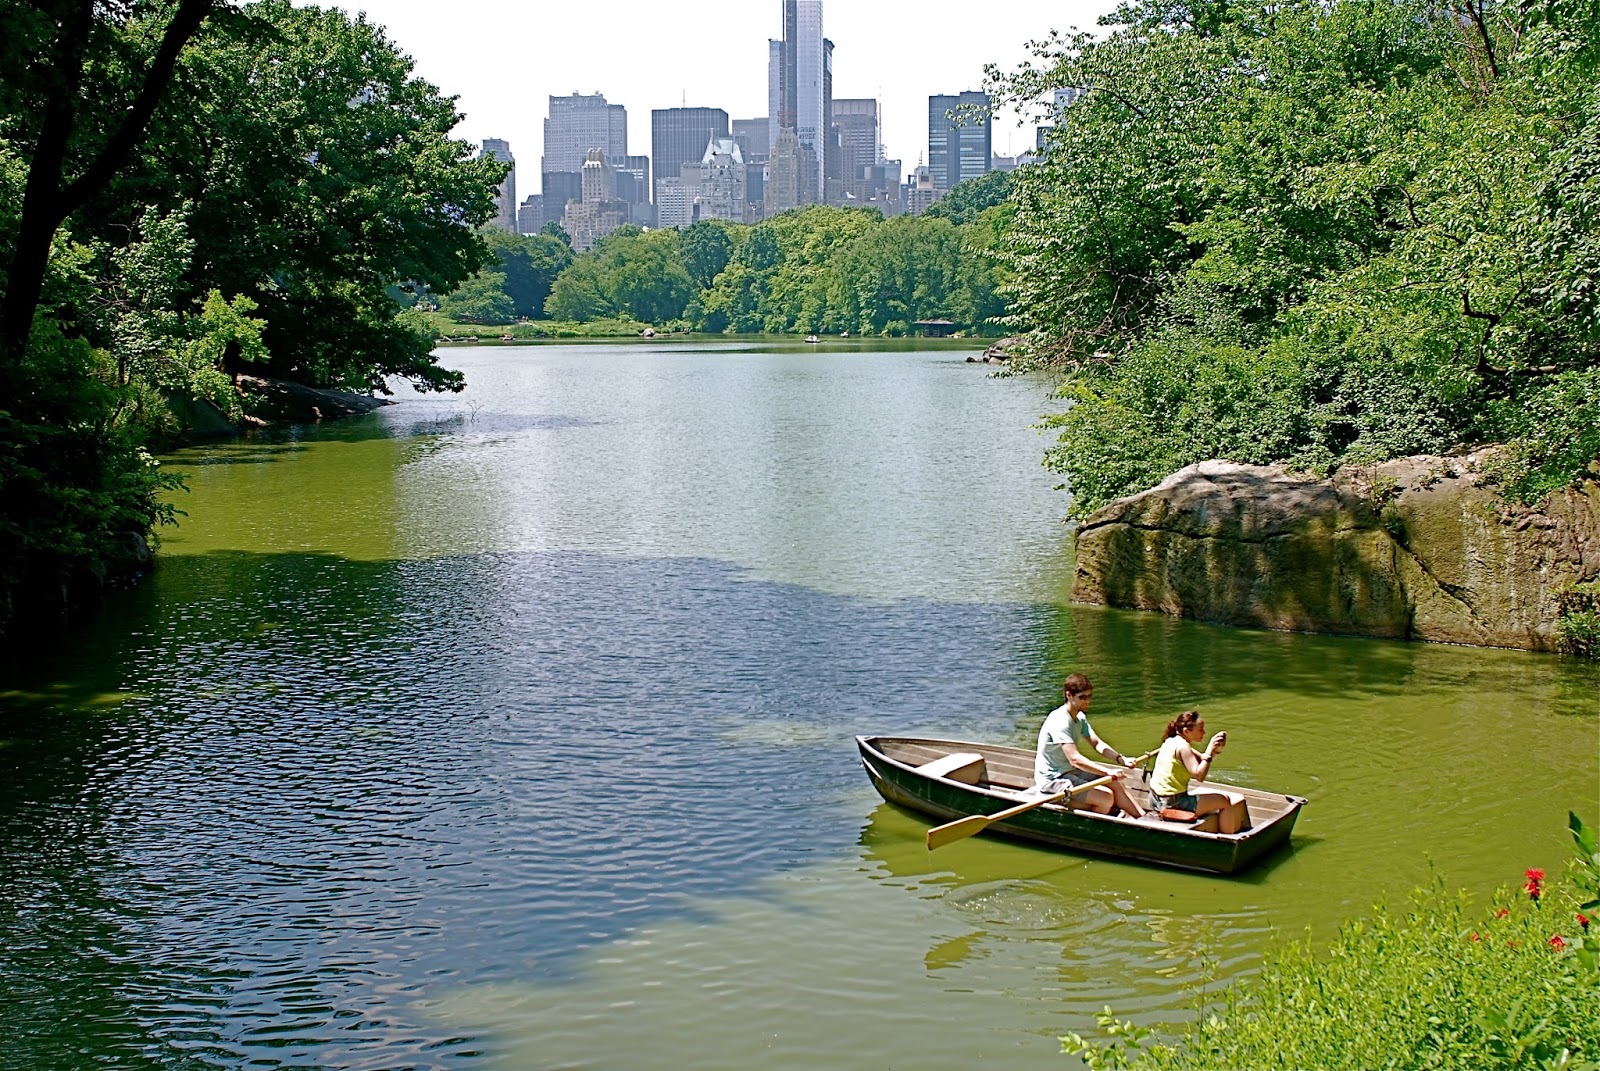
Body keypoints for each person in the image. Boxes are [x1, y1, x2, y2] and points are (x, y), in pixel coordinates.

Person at [1034, 673, 1147, 819]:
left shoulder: (1079, 717)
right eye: (1082, 697)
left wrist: (1121, 759)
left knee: (1115, 784)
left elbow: (1097, 744)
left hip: (1071, 772)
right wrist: (1107, 771)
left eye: (1089, 696)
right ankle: (1071, 806)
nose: (1087, 701)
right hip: (1053, 779)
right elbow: (1075, 759)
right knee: (1106, 798)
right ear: (1069, 695)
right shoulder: (1060, 721)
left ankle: (1143, 818)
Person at [1148, 710, 1249, 834]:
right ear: (1186, 731)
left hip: (1154, 799)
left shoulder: (1171, 740)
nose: (1204, 733)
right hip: (1173, 802)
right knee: (1225, 801)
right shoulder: (1183, 747)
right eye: (1200, 729)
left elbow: (1202, 759)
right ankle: (1228, 838)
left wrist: (1215, 750)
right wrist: (1208, 752)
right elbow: (1199, 775)